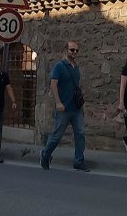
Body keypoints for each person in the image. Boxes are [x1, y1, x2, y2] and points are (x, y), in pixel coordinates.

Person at [40, 41, 89, 172]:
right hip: (64, 108)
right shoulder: (59, 66)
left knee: (80, 134)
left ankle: (79, 161)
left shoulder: (76, 67)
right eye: (72, 50)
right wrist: (58, 102)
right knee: (57, 135)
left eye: (76, 50)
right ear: (66, 50)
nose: (75, 52)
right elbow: (53, 84)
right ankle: (45, 154)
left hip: (76, 108)